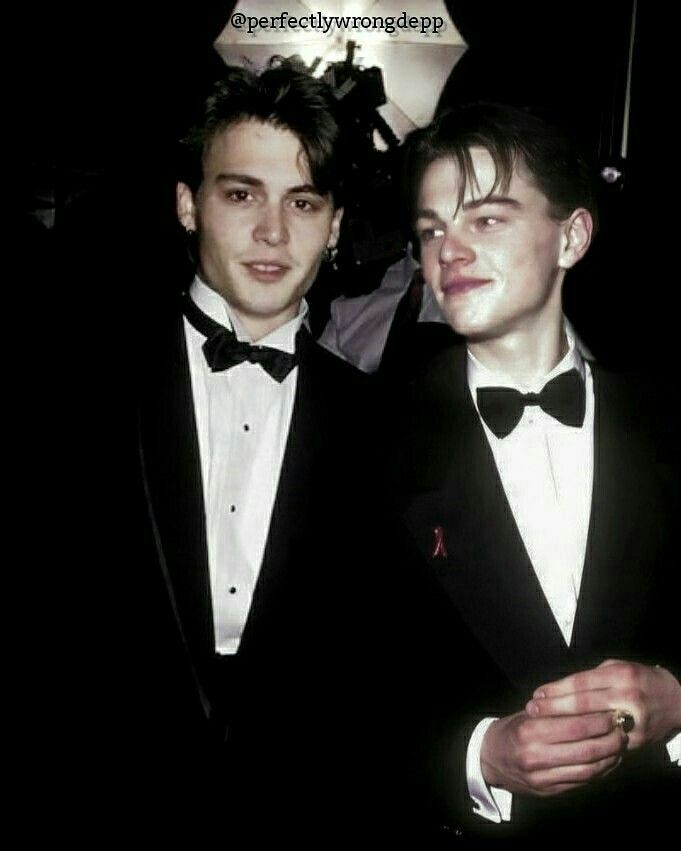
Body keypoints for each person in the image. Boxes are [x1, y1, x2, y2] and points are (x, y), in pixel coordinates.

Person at [385, 102, 680, 842]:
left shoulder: (676, 427)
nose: (447, 250)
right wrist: (480, 755)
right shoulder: (365, 444)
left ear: (571, 238)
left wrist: (680, 703)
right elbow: (316, 696)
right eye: (430, 229)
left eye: (484, 219)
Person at [105, 63, 384, 842]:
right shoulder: (80, 382)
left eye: (303, 202)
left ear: (334, 226)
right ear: (187, 204)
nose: (273, 232)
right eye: (241, 194)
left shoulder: (383, 427)